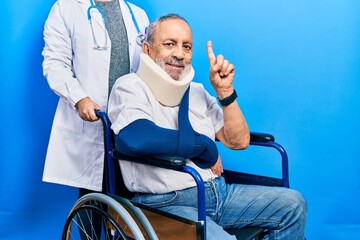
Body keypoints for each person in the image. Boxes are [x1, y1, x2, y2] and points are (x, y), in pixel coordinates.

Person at [108, 14, 307, 240]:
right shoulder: (130, 87)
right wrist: (204, 146)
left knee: (293, 204)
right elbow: (137, 139)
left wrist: (225, 93)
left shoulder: (197, 91)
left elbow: (238, 142)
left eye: (187, 47)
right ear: (147, 49)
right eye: (169, 44)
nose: (179, 54)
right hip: (166, 204)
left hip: (219, 193)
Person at [42, 0, 148, 197]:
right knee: (93, 198)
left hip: (129, 122)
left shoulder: (138, 15)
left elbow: (148, 67)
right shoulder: (66, 8)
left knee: (129, 200)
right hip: (94, 120)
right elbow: (55, 63)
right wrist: (79, 99)